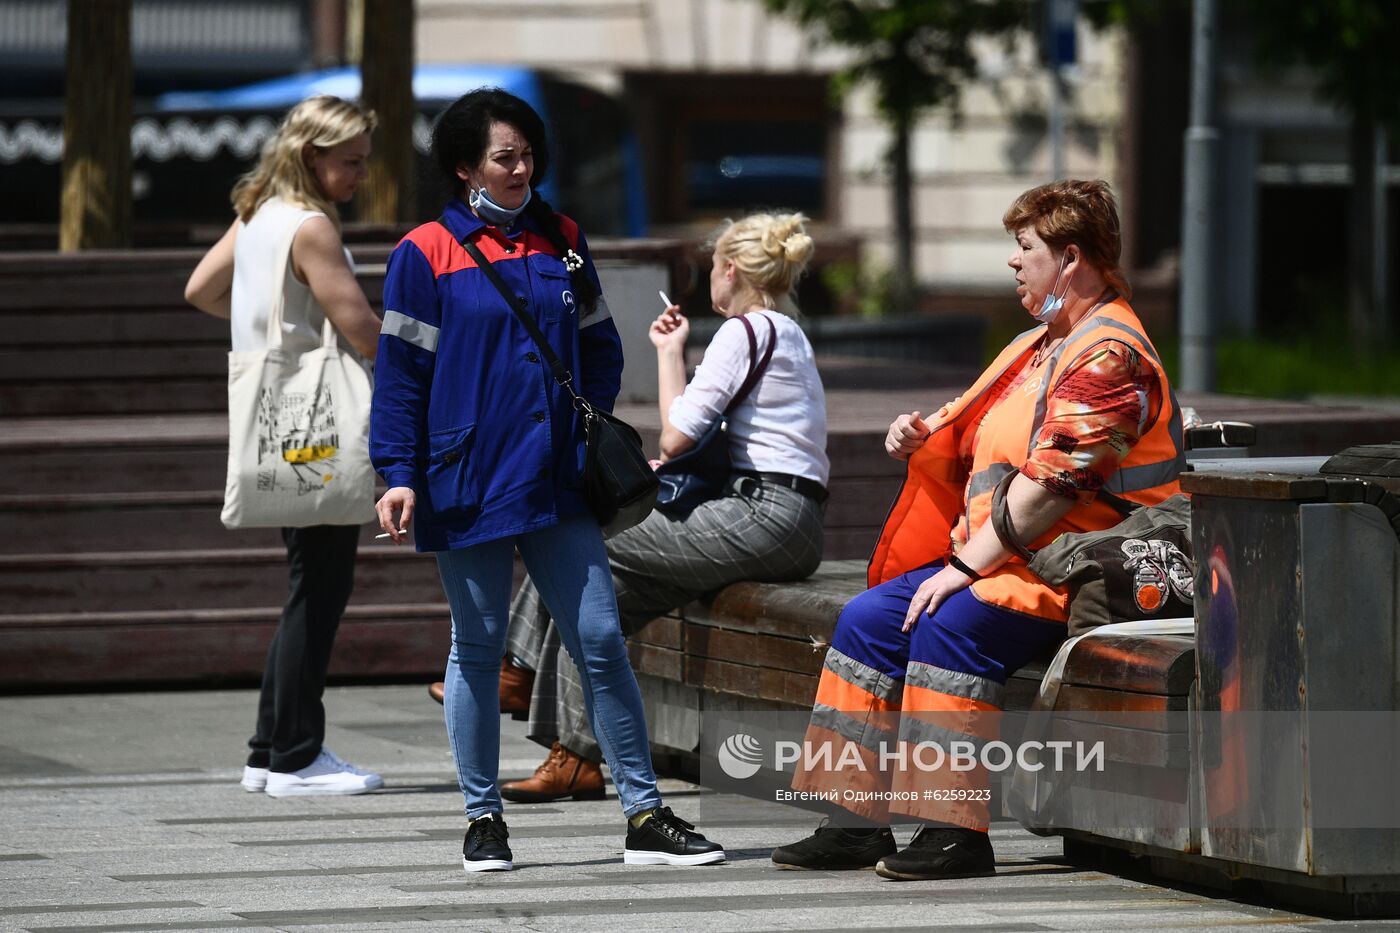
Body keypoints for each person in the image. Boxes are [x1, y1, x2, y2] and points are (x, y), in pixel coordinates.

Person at [770, 179, 1185, 880]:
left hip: (1076, 569)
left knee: (950, 622)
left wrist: (962, 569)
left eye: (1026, 248)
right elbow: (976, 432)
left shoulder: (1110, 354)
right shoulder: (1038, 343)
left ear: (1072, 258)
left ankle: (953, 829)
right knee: (867, 620)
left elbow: (1053, 487)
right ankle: (853, 819)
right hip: (1009, 559)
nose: (1014, 263)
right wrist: (921, 434)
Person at [369, 87, 724, 873]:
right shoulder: (424, 252)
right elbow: (399, 375)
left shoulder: (562, 237)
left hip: (559, 476)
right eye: (505, 156)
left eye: (529, 153)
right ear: (465, 167)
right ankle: (482, 818)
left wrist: (588, 421)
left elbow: (598, 341)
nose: (522, 167)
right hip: (467, 479)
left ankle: (644, 813)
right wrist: (397, 472)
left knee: (599, 637)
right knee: (478, 646)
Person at [489, 212, 830, 804]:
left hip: (763, 512)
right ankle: (575, 756)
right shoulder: (787, 330)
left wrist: (673, 360)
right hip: (791, 519)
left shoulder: (742, 332)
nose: (709, 284)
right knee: (603, 602)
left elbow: (674, 439)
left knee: (579, 536)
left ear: (729, 269)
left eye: (711, 270)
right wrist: (671, 351)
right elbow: (686, 435)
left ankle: (515, 668)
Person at [184, 95, 385, 797]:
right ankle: (296, 753)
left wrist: (270, 329)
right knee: (320, 585)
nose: (361, 173)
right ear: (311, 155)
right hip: (319, 426)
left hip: (278, 420)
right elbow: (362, 329)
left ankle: (271, 749)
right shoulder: (310, 227)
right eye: (351, 160)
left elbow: (200, 289)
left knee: (309, 580)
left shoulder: (257, 215)